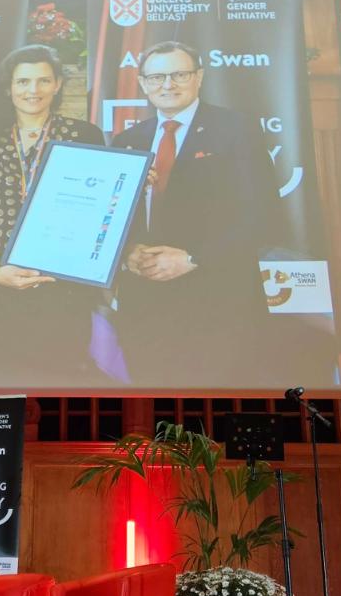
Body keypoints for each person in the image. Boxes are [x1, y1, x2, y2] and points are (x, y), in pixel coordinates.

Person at [110, 40, 279, 385]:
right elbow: (111, 219)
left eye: (179, 74)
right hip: (144, 308)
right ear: (142, 83)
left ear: (199, 77)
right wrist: (126, 253)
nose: (167, 85)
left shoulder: (236, 129)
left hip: (216, 303)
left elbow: (262, 216)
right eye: (156, 77)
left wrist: (192, 258)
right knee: (151, 419)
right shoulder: (127, 141)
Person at [0, 44, 107, 386]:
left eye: (43, 81)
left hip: (62, 289)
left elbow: (97, 207)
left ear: (57, 85)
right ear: (8, 87)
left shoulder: (85, 135)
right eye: (23, 81)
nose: (33, 91)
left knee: (58, 386)